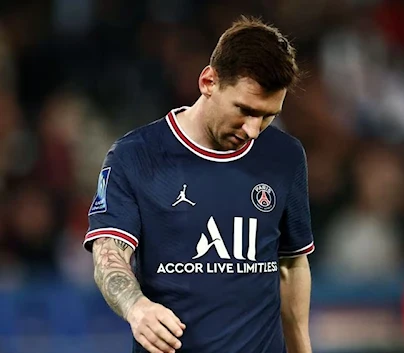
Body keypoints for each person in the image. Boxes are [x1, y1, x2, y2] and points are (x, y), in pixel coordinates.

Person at [83, 16, 315, 353]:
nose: (253, 129)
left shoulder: (285, 156)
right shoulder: (136, 155)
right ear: (208, 81)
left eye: (268, 116)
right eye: (245, 110)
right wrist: (137, 308)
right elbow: (109, 252)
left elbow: (292, 264)